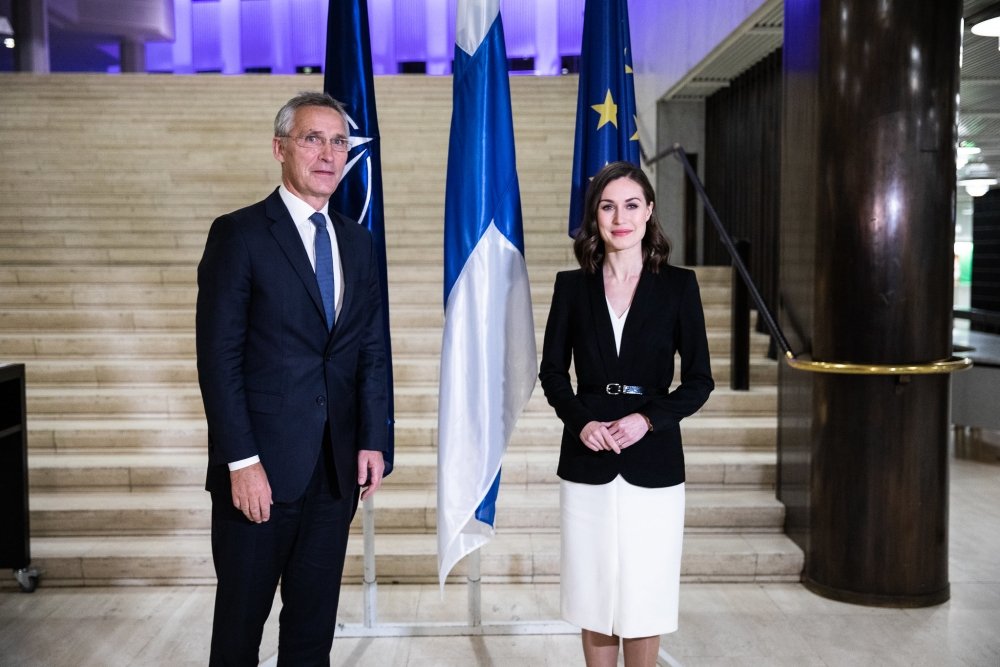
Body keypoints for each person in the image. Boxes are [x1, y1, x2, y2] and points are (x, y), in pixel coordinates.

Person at [196, 91, 390, 666]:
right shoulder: (240, 235)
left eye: (338, 142)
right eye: (313, 139)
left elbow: (371, 347)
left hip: (333, 474)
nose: (328, 153)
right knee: (239, 632)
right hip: (259, 474)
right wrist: (240, 461)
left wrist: (373, 437)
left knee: (311, 634)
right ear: (280, 148)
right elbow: (218, 359)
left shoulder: (357, 242)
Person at [539, 161, 714, 667]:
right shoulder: (571, 286)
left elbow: (699, 381)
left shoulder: (679, 286)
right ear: (595, 215)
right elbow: (553, 374)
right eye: (608, 205)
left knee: (645, 596)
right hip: (587, 456)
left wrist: (648, 419)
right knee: (594, 593)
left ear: (649, 212)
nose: (620, 217)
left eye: (631, 205)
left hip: (653, 458)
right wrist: (583, 423)